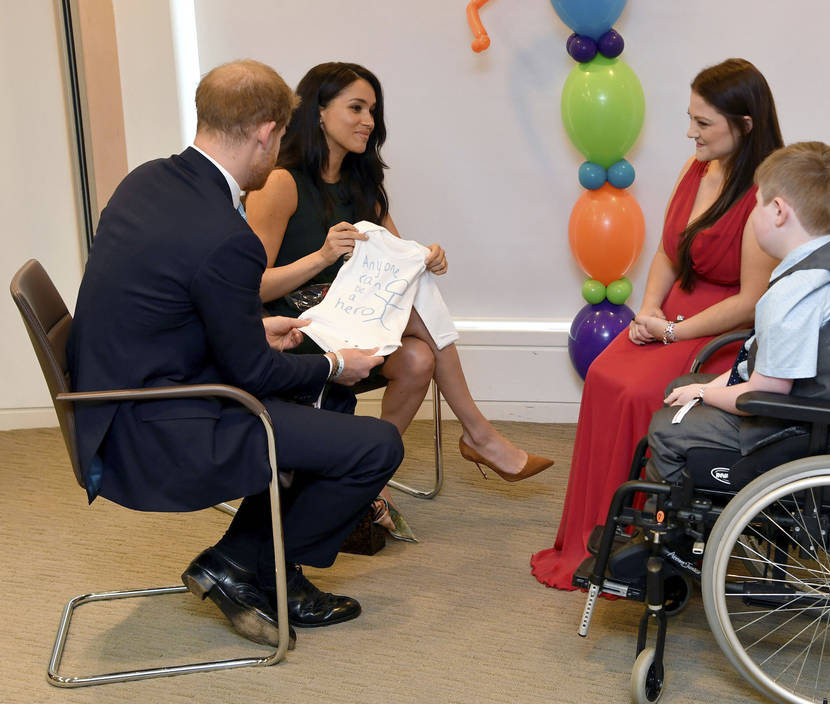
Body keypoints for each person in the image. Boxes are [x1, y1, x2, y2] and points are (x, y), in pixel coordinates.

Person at [66, 59, 404, 649]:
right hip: (162, 425)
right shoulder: (226, 237)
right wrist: (332, 361)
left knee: (325, 404)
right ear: (267, 132)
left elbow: (171, 301)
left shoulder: (149, 179)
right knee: (375, 442)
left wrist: (259, 325)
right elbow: (251, 371)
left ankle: (254, 566)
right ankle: (251, 568)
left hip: (115, 403)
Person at [245, 62, 552, 538]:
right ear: (319, 112)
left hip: (354, 322)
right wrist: (321, 256)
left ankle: (367, 477)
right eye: (356, 108)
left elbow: (397, 267)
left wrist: (425, 258)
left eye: (373, 110)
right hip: (291, 329)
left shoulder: (362, 183)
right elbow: (251, 287)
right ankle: (479, 434)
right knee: (412, 316)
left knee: (417, 358)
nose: (368, 120)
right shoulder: (280, 183)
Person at [531, 58, 784, 590]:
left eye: (703, 123)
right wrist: (648, 311)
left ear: (744, 124)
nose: (690, 132)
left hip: (716, 329)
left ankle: (644, 540)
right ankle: (593, 533)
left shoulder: (764, 194)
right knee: (603, 373)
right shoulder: (697, 169)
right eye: (690, 118)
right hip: (675, 314)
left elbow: (751, 300)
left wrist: (673, 332)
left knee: (634, 389)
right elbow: (670, 251)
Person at [647, 141, 830, 485]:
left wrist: (706, 393)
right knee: (683, 386)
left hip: (792, 427)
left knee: (665, 429)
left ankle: (670, 527)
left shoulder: (793, 294)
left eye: (756, 205)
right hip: (823, 400)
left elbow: (763, 395)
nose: (752, 214)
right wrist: (702, 389)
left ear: (779, 211)